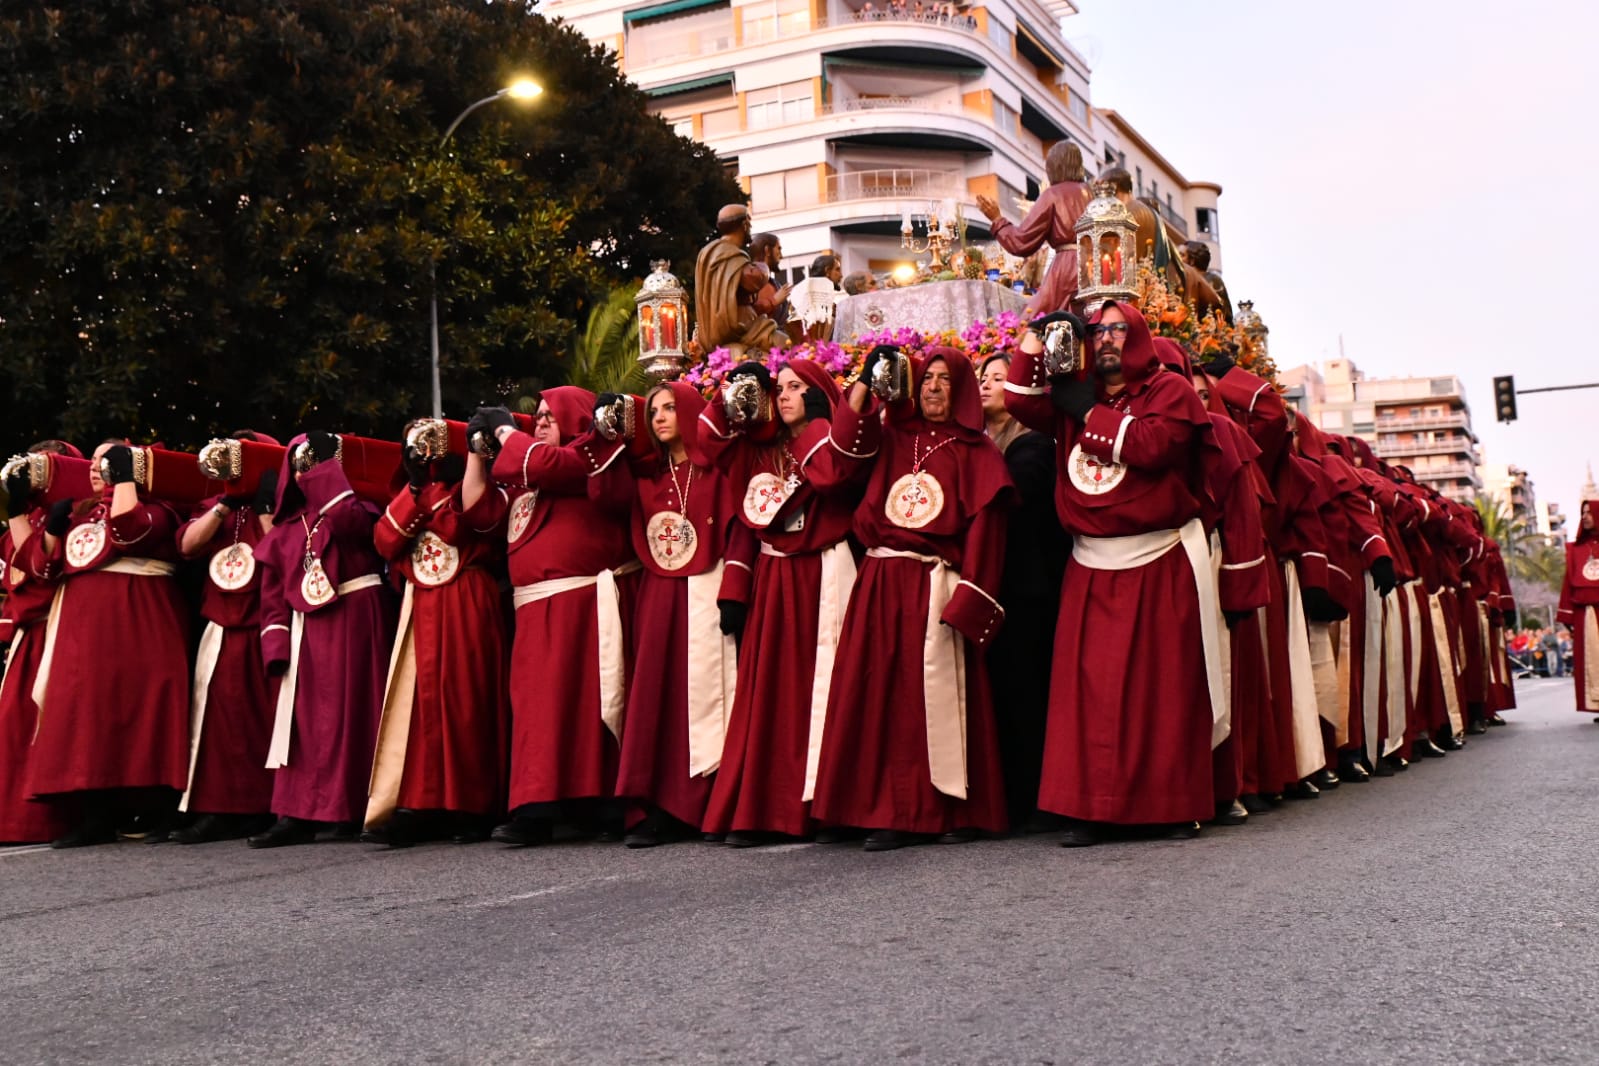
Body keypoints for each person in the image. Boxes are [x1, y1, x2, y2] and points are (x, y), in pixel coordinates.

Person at [1005, 304, 1225, 846]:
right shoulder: (1076, 394)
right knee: (1089, 696)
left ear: (1139, 335)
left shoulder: (1169, 391)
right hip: (1090, 562)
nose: (1105, 339)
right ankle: (1090, 809)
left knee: (1162, 692)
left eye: (1117, 329)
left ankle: (1170, 807)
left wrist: (1088, 413)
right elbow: (1018, 399)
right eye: (1097, 330)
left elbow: (1153, 446)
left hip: (1157, 559)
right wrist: (1036, 335)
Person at [812, 346, 1014, 851]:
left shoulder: (977, 452)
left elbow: (987, 532)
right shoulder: (892, 436)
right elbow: (843, 455)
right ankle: (866, 807)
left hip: (933, 585)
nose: (934, 388)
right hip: (880, 579)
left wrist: (971, 597)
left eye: (945, 380)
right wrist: (865, 380)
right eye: (926, 379)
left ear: (961, 390)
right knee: (870, 692)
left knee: (924, 700)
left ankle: (939, 811)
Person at [698, 359, 868, 844]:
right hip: (775, 577)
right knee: (772, 697)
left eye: (797, 388)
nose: (786, 395)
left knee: (827, 690)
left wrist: (818, 422)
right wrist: (737, 389)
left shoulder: (832, 439)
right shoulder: (759, 450)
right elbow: (709, 444)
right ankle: (765, 810)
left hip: (825, 574)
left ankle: (828, 808)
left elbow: (832, 477)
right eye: (781, 388)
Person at [475, 391, 639, 845]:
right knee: (537, 714)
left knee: (586, 708)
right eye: (538, 417)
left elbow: (550, 463)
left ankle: (595, 802)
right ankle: (538, 804)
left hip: (582, 606)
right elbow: (477, 512)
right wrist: (475, 452)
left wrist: (505, 429)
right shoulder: (529, 479)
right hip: (535, 609)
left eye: (551, 415)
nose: (541, 422)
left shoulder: (589, 455)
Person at [22, 441, 192, 847]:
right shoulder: (80, 512)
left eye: (110, 461)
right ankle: (95, 812)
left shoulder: (160, 509)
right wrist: (51, 529)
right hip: (84, 627)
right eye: (95, 461)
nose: (97, 467)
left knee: (145, 708)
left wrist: (125, 481)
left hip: (141, 621)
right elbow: (42, 569)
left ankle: (155, 806)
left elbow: (129, 532)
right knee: (87, 715)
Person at [612, 382, 755, 847]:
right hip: (660, 595)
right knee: (659, 696)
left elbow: (740, 530)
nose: (659, 417)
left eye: (671, 408)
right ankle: (660, 805)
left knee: (710, 697)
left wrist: (734, 590)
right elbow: (604, 495)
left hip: (708, 589)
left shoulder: (717, 471)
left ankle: (712, 802)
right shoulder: (646, 477)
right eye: (654, 411)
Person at [249, 433, 397, 847]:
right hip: (307, 636)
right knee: (303, 727)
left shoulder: (356, 507)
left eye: (315, 461)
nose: (306, 471)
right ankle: (297, 813)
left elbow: (352, 527)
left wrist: (327, 475)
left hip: (358, 622)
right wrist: (276, 648)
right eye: (300, 463)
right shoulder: (284, 530)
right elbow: (272, 598)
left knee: (358, 716)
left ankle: (354, 807)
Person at [362, 431, 510, 847]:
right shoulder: (410, 490)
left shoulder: (477, 487)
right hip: (422, 601)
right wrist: (414, 488)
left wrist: (443, 488)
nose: (425, 452)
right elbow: (385, 541)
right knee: (418, 705)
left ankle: (472, 804)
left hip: (466, 595)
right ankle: (420, 803)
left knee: (466, 697)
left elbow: (458, 529)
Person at [978, 350, 1069, 829]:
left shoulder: (1033, 445)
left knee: (1025, 692)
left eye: (999, 377)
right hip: (994, 584)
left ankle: (1034, 798)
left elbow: (1011, 496)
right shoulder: (981, 442)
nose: (987, 383)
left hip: (1028, 588)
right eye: (983, 376)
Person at [172, 443, 281, 844]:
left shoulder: (280, 502)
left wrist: (265, 507)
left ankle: (268, 807)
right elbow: (188, 545)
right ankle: (218, 809)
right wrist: (225, 505)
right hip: (220, 623)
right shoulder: (215, 505)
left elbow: (282, 553)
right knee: (216, 725)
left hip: (265, 622)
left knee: (265, 721)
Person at [0, 442, 82, 844]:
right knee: (14, 726)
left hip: (58, 629)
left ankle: (40, 823)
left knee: (47, 726)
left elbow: (40, 568)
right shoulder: (27, 518)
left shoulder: (74, 514)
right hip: (27, 636)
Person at [976, 143, 1092, 316]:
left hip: (1067, 268)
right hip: (1096, 267)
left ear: (1054, 167)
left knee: (1032, 320)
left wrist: (997, 219)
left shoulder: (1053, 195)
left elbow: (1021, 241)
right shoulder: (1091, 193)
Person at [692, 205, 788, 353]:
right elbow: (754, 278)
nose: (750, 227)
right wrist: (764, 266)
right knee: (784, 343)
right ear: (744, 224)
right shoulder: (729, 253)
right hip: (740, 330)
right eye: (749, 223)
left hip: (738, 327)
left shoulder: (708, 253)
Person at [1557, 499, 1599, 716]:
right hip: (1586, 613)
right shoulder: (1576, 550)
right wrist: (1567, 615)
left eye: (1589, 512)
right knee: (1592, 658)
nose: (1585, 516)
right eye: (1583, 512)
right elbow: (1568, 584)